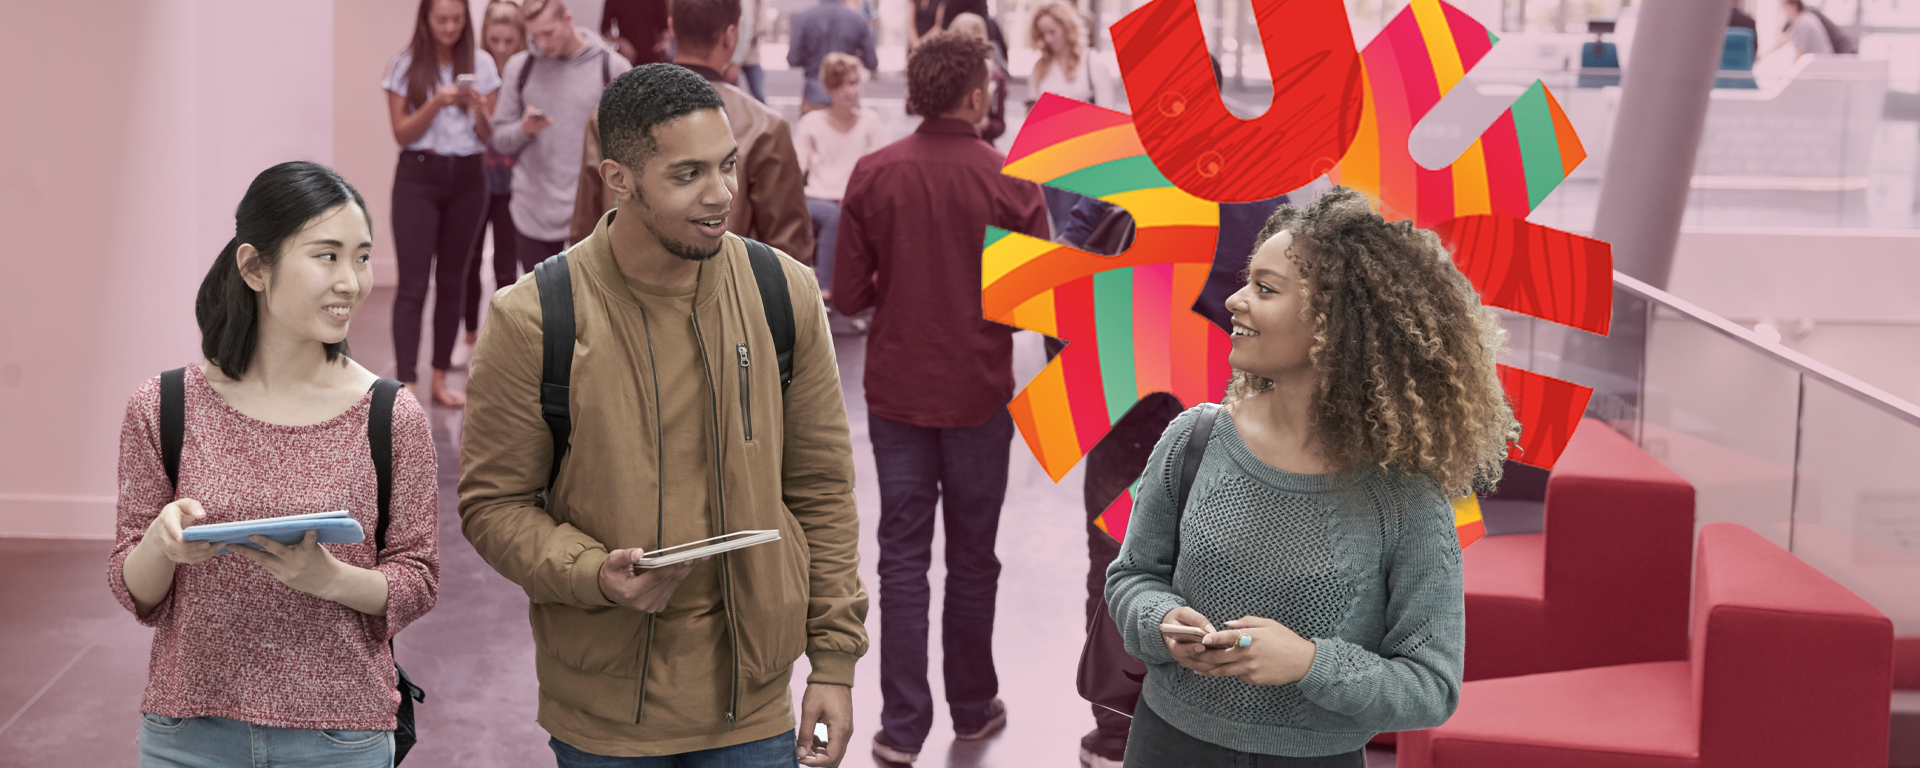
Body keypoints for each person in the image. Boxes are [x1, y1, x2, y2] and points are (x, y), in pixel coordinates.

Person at [459, 63, 866, 767]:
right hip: (605, 718)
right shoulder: (534, 317)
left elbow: (821, 488)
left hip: (754, 708)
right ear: (619, 178)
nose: (721, 196)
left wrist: (833, 662)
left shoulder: (783, 294)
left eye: (728, 166)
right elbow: (493, 505)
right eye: (687, 175)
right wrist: (593, 572)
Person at [1106, 188, 1518, 767]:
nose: (1233, 300)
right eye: (1248, 282)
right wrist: (1159, 620)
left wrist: (1307, 663)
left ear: (1336, 323)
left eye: (1264, 289)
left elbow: (1431, 685)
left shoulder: (1405, 496)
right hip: (1165, 744)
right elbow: (1132, 578)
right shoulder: (1194, 440)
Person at [110, 161, 440, 767]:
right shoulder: (163, 407)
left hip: (340, 736)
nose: (352, 281)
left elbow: (418, 579)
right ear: (254, 267)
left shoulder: (390, 414)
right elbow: (135, 592)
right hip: (188, 734)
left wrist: (331, 579)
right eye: (327, 256)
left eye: (362, 257)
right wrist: (160, 545)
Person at [832, 31, 1051, 765]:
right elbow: (1031, 308)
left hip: (895, 396)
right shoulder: (1013, 181)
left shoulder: (871, 173)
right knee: (973, 559)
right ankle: (971, 704)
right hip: (978, 397)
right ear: (977, 95)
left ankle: (899, 728)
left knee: (900, 559)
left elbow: (853, 295)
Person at [571, 0, 815, 265]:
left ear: (672, 27)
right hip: (726, 301)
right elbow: (788, 252)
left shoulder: (607, 116)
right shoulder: (764, 127)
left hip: (623, 297)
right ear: (730, 35)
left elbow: (585, 232)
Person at [384, 0, 499, 407]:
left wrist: (478, 109)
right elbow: (401, 133)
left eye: (456, 19)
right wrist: (437, 101)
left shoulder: (482, 64)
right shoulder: (405, 65)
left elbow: (488, 136)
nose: (450, 26)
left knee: (453, 282)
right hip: (417, 177)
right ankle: (406, 386)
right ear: (426, 21)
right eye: (441, 19)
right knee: (413, 286)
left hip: (469, 179)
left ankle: (438, 380)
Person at [492, 0, 633, 268]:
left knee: (588, 307)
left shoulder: (612, 67)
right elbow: (499, 138)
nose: (542, 43)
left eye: (549, 33)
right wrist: (524, 129)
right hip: (532, 213)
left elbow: (633, 143)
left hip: (592, 214)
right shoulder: (520, 68)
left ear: (568, 19)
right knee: (544, 307)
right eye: (534, 35)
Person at [459, 0, 532, 370]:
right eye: (495, 40)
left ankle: (501, 340)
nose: (502, 47)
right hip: (477, 176)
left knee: (507, 265)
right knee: (469, 260)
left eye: (509, 40)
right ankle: (469, 335)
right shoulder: (477, 71)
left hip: (515, 178)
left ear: (520, 37)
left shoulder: (527, 73)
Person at [794, 52, 884, 302]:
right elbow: (796, 169)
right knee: (835, 216)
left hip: (854, 199)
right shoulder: (811, 123)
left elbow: (875, 171)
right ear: (828, 88)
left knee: (846, 214)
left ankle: (851, 286)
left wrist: (855, 196)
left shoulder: (870, 122)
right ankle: (825, 287)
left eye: (853, 83)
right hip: (816, 198)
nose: (848, 91)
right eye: (841, 84)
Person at [1026, 0, 1117, 235]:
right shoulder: (1040, 69)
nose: (1048, 39)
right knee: (1059, 223)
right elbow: (1032, 118)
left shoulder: (1093, 64)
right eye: (1042, 34)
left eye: (1052, 31)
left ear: (1066, 27)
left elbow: (1107, 117)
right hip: (1050, 160)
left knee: (1080, 227)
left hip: (1085, 159)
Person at [787, 0, 879, 118]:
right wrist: (852, 59)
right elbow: (872, 62)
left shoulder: (803, 17)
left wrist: (813, 59)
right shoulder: (859, 19)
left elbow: (793, 59)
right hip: (848, 99)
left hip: (814, 96)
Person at [947, 13, 1008, 145]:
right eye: (960, 34)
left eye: (973, 34)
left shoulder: (994, 76)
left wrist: (985, 124)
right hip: (947, 143)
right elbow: (912, 105)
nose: (967, 40)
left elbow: (999, 125)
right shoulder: (942, 72)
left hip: (980, 143)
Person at [602, 0, 671, 66]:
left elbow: (664, 27)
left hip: (653, 58)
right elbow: (605, 30)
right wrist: (621, 43)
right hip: (628, 60)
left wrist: (665, 42)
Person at [1767, 0, 1838, 59]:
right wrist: (1765, 53)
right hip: (1824, 59)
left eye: (1784, 6)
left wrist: (1789, 74)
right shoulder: (1805, 18)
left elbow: (1799, 54)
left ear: (1793, 7)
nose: (1782, 9)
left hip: (1820, 62)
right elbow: (1786, 38)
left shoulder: (1801, 24)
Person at [730, 0, 770, 102]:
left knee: (759, 96)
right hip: (732, 56)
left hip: (751, 55)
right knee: (731, 96)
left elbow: (763, 26)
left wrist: (753, 27)